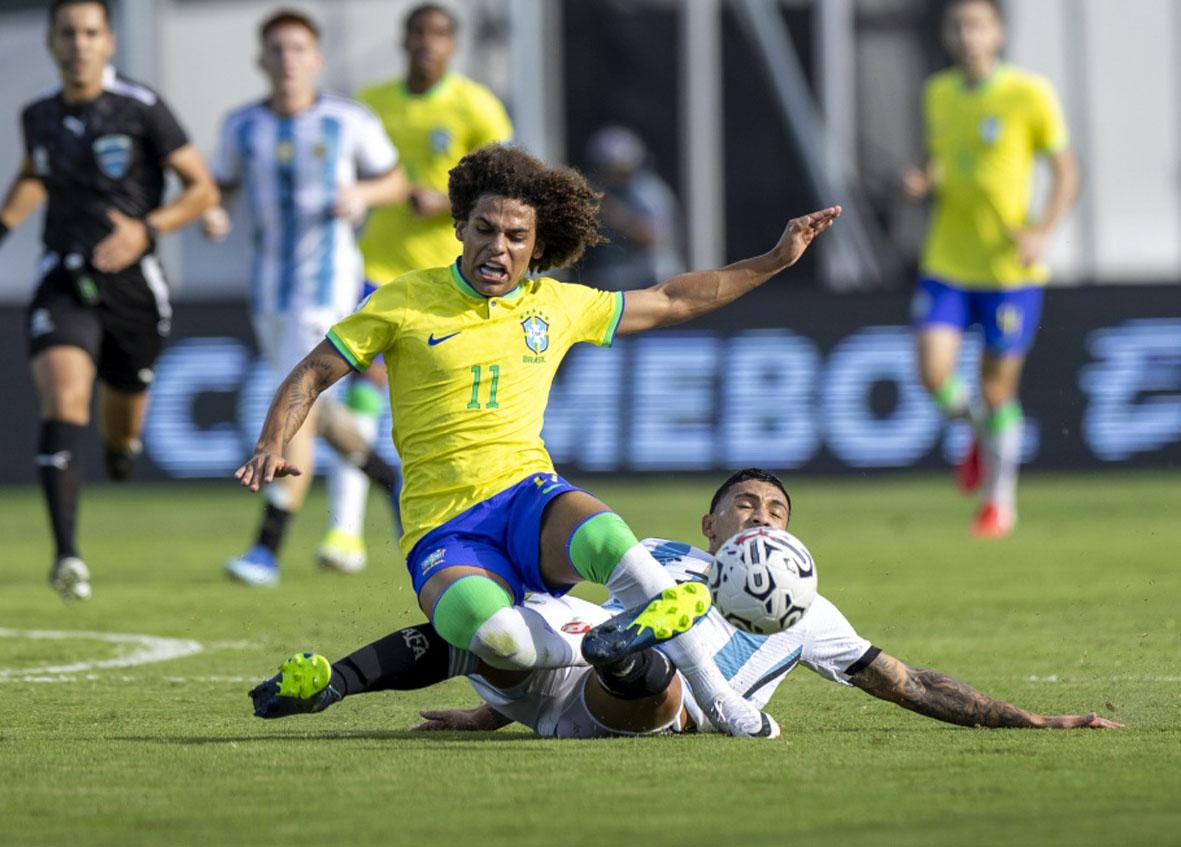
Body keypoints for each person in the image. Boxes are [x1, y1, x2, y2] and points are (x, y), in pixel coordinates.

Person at [235, 143, 841, 738]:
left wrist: (773, 260)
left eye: (515, 237)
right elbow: (313, 370)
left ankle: (719, 699)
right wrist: (272, 441)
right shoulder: (402, 301)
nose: (497, 247)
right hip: (443, 528)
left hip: (528, 496)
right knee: (500, 641)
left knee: (610, 539)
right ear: (460, 227)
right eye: (485, 229)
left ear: (536, 244)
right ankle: (606, 640)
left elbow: (670, 299)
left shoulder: (553, 305)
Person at [247, 468, 1122, 737]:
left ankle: (633, 651)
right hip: (566, 669)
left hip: (643, 703)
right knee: (503, 632)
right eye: (744, 504)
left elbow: (905, 679)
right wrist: (482, 720)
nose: (760, 516)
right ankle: (337, 679)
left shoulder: (810, 614)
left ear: (792, 541)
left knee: (652, 677)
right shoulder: (654, 556)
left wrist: (1034, 721)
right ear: (710, 523)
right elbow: (540, 622)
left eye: (776, 510)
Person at [0, 0, 218, 600]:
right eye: (67, 33)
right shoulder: (38, 115)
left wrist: (145, 229)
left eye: (90, 32)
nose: (79, 43)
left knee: (120, 433)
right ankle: (67, 554)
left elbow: (200, 189)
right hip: (64, 280)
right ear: (51, 41)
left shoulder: (141, 109)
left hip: (132, 291)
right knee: (64, 395)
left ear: (108, 42)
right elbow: (35, 173)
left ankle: (121, 454)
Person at [200, 9, 411, 587]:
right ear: (261, 60)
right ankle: (387, 477)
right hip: (268, 289)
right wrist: (213, 211)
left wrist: (364, 193)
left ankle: (267, 546)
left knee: (299, 403)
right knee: (318, 414)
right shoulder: (241, 125)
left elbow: (395, 180)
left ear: (315, 59)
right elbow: (221, 185)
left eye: (298, 49)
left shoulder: (348, 120)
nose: (288, 59)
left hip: (327, 289)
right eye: (277, 50)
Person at [317, 2, 516, 575]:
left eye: (438, 36)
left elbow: (508, 179)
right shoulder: (372, 104)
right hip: (372, 269)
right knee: (360, 387)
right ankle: (344, 532)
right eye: (418, 35)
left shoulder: (475, 105)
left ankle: (420, 503)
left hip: (447, 276)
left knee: (411, 404)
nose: (427, 44)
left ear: (451, 46)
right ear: (405, 42)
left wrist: (448, 202)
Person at [902, 0, 1079, 538]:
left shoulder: (1028, 93)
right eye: (958, 26)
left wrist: (1042, 231)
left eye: (977, 24)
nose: (967, 35)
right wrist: (925, 181)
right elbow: (947, 159)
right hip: (948, 263)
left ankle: (999, 500)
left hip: (1007, 271)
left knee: (998, 390)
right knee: (934, 375)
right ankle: (980, 436)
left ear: (998, 33)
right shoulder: (938, 93)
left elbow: (1066, 169)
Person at [580, 125, 684, 290]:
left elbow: (656, 237)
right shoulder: (599, 189)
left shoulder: (648, 191)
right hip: (613, 278)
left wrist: (616, 216)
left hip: (651, 279)